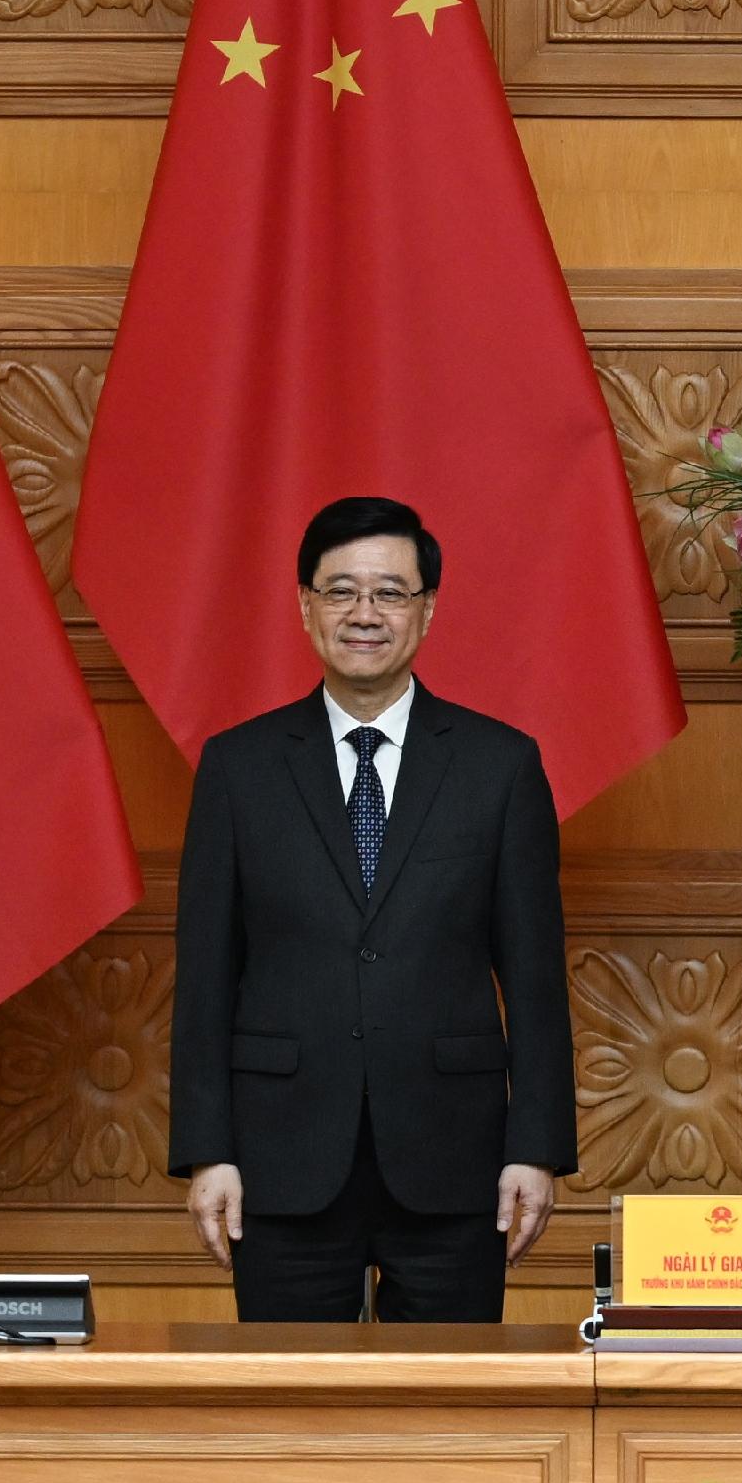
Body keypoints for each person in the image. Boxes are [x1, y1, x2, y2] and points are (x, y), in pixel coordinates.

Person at [168, 496, 572, 1321]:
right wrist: (207, 1152)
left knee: (448, 1423)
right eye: (341, 590)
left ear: (427, 610)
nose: (365, 614)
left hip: (454, 1159)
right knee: (294, 1421)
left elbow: (535, 980)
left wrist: (535, 1149)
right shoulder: (237, 769)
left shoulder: (500, 766)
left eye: (390, 593)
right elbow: (206, 975)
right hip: (280, 1158)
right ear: (304, 606)